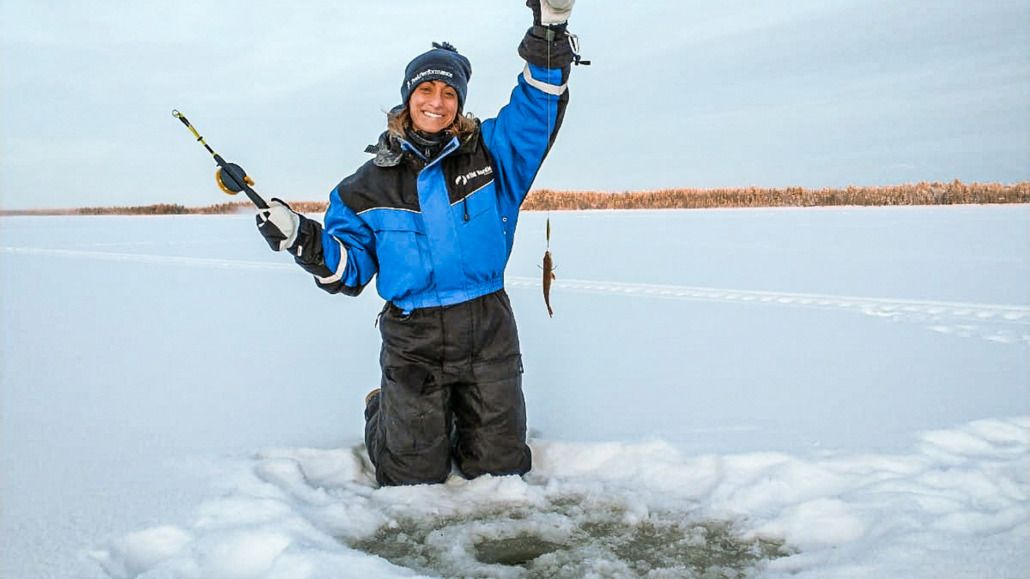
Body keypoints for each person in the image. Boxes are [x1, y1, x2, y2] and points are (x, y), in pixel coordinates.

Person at [253, 0, 581, 486]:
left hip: (487, 326)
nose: (437, 100)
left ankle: (450, 417)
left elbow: (539, 105)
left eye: (449, 92)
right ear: (407, 97)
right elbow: (349, 270)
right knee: (410, 477)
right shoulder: (362, 188)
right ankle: (380, 408)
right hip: (413, 340)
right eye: (426, 88)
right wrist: (303, 239)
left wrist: (550, 30)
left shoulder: (494, 153)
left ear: (460, 102)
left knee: (499, 470)